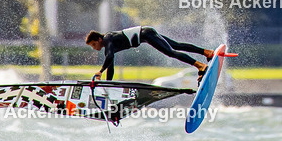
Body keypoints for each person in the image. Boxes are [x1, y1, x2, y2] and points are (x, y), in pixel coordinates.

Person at [86, 25, 214, 85]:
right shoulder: (109, 45)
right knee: (176, 46)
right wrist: (108, 85)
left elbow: (109, 58)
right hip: (147, 33)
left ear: (99, 39)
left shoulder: (108, 38)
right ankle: (206, 52)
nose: (94, 48)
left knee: (171, 52)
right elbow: (111, 64)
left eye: (93, 44)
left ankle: (200, 66)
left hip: (146, 34)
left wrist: (100, 70)